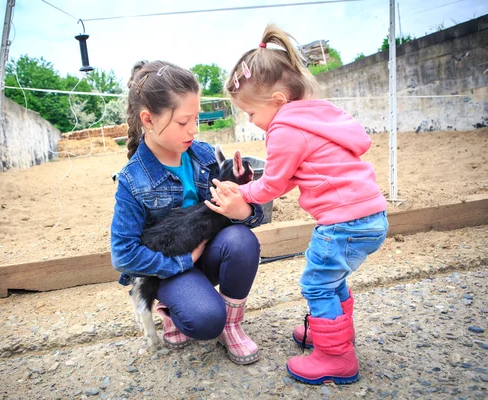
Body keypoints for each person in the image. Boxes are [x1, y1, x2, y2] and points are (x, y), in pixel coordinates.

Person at [205, 24, 389, 384]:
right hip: (370, 216)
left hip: (342, 223)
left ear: (277, 101)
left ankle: (335, 357)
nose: (251, 122)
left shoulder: (284, 128)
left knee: (317, 283)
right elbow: (294, 176)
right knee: (331, 279)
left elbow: (273, 184)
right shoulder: (317, 117)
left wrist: (242, 193)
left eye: (251, 113)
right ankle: (332, 335)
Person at [110, 60, 264, 365]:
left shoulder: (204, 155)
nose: (194, 129)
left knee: (242, 240)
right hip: (169, 269)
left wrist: (243, 208)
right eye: (183, 122)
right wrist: (182, 261)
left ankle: (231, 326)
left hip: (207, 253)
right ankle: (174, 308)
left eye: (196, 118)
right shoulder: (132, 179)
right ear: (148, 119)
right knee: (205, 320)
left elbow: (256, 215)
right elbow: (123, 254)